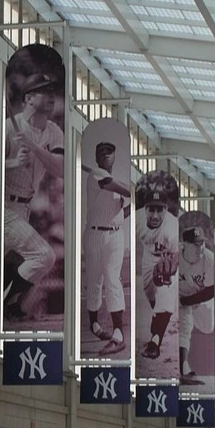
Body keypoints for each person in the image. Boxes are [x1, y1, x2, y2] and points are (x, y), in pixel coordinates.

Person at [2, 73, 64, 321]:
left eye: (52, 91)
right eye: (43, 91)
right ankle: (9, 306)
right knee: (43, 256)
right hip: (1, 204)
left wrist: (35, 148)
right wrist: (13, 162)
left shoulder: (53, 131)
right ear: (28, 98)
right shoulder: (8, 127)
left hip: (23, 209)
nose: (50, 96)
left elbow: (60, 169)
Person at [83, 142, 130, 355]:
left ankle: (119, 335)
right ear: (97, 158)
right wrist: (137, 191)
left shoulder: (115, 184)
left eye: (110, 152)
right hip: (94, 234)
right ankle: (94, 325)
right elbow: (118, 187)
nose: (106, 155)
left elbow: (120, 213)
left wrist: (136, 204)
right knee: (94, 280)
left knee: (112, 279)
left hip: (115, 235)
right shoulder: (96, 174)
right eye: (101, 152)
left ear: (114, 156)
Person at [137, 186, 179, 360]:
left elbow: (176, 255)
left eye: (159, 210)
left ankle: (155, 342)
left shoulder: (172, 227)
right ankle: (158, 321)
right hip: (148, 257)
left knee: (166, 299)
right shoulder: (138, 221)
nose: (155, 215)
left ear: (166, 209)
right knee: (151, 296)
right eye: (151, 209)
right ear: (145, 209)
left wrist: (172, 267)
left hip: (167, 257)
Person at [177, 226, 215, 384]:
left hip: (201, 298)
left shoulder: (209, 259)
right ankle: (182, 367)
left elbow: (210, 291)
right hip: (179, 294)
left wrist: (188, 302)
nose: (200, 247)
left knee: (208, 327)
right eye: (196, 244)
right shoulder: (174, 254)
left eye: (202, 243)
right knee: (185, 325)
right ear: (184, 244)